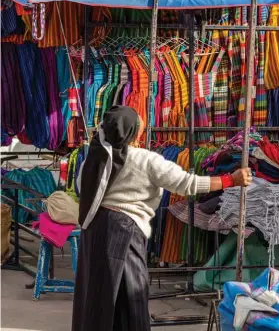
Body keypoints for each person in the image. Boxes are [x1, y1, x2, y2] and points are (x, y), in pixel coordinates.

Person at [72, 106, 252, 331]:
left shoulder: (97, 157)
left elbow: (81, 187)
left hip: (95, 228)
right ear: (133, 132)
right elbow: (188, 183)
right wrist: (230, 180)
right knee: (131, 295)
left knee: (99, 293)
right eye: (140, 125)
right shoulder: (145, 160)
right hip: (123, 230)